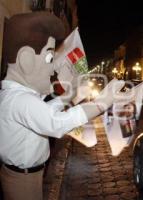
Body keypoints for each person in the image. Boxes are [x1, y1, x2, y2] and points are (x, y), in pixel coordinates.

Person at [0, 12, 126, 200]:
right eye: (50, 58)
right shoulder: (20, 99)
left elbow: (45, 112)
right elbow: (56, 123)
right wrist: (101, 103)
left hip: (27, 175)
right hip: (22, 178)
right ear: (26, 60)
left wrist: (70, 95)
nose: (53, 69)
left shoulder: (20, 96)